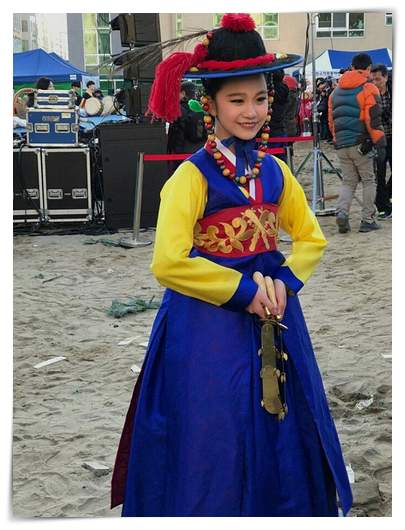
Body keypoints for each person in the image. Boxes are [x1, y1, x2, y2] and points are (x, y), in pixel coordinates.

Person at [111, 13, 353, 517]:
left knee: (283, 413)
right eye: (237, 100)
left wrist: (285, 281)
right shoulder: (191, 177)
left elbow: (311, 237)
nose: (252, 112)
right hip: (205, 321)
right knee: (211, 423)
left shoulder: (276, 171)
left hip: (275, 311)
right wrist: (243, 292)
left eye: (260, 99)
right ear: (211, 104)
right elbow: (169, 261)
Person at [328, 53, 386, 233]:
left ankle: (342, 213)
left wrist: (337, 140)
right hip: (361, 144)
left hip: (342, 145)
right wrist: (380, 143)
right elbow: (373, 120)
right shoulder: (369, 88)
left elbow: (331, 121)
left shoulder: (335, 92)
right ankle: (367, 220)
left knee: (348, 182)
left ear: (352, 67)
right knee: (369, 181)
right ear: (369, 68)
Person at [167, 80, 207, 171]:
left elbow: (175, 134)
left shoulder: (179, 109)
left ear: (184, 93)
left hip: (182, 153)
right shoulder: (202, 107)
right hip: (201, 151)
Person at [370, 63, 392, 220]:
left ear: (386, 77)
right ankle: (383, 208)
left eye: (378, 79)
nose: (376, 83)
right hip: (378, 140)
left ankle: (390, 194)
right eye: (373, 80)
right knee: (379, 175)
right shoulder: (370, 95)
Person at [267, 68, 289, 162]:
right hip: (282, 129)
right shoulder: (285, 89)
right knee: (282, 163)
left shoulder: (269, 91)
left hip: (269, 132)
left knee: (268, 163)